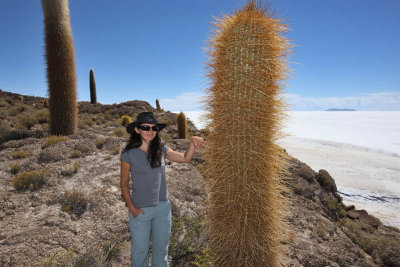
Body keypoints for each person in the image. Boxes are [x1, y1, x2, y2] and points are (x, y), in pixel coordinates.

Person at [120, 111, 204, 267]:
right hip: (140, 211)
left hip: (162, 209)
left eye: (154, 128)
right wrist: (132, 208)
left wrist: (192, 142)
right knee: (139, 254)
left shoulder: (161, 149)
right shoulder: (128, 154)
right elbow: (124, 183)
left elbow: (185, 158)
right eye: (145, 127)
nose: (150, 131)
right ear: (137, 130)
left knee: (161, 252)